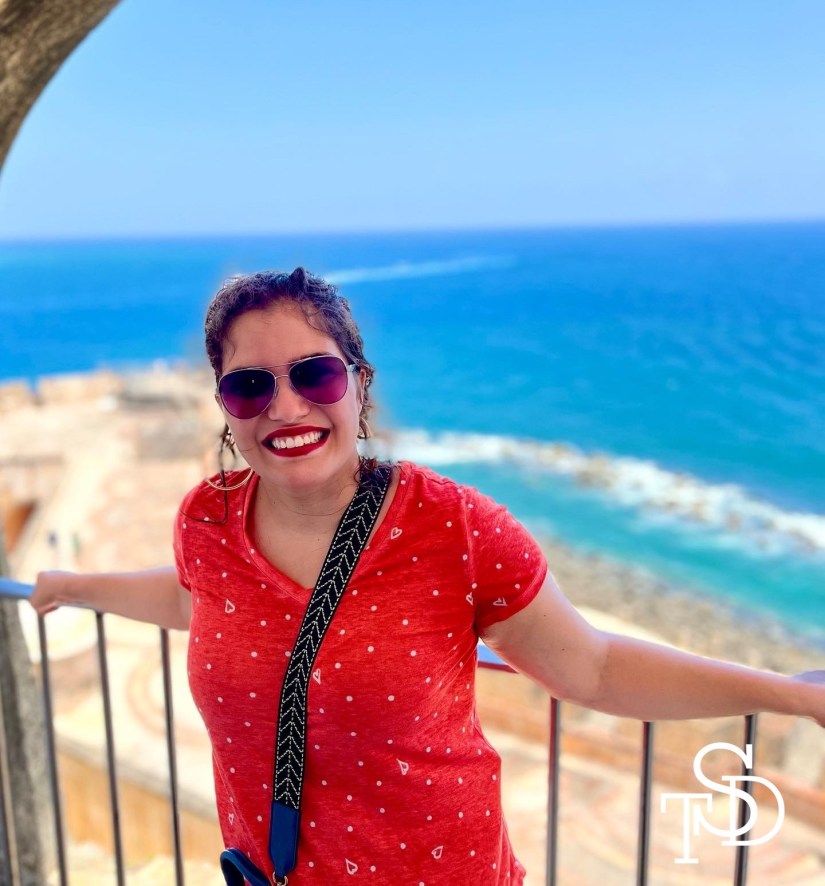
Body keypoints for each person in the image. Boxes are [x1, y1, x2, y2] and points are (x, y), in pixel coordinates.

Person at [31, 267, 825, 885]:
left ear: (360, 383)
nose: (286, 406)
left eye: (314, 374)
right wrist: (77, 586)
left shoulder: (454, 528)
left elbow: (593, 666)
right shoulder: (207, 519)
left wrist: (788, 694)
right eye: (250, 385)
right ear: (225, 406)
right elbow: (192, 595)